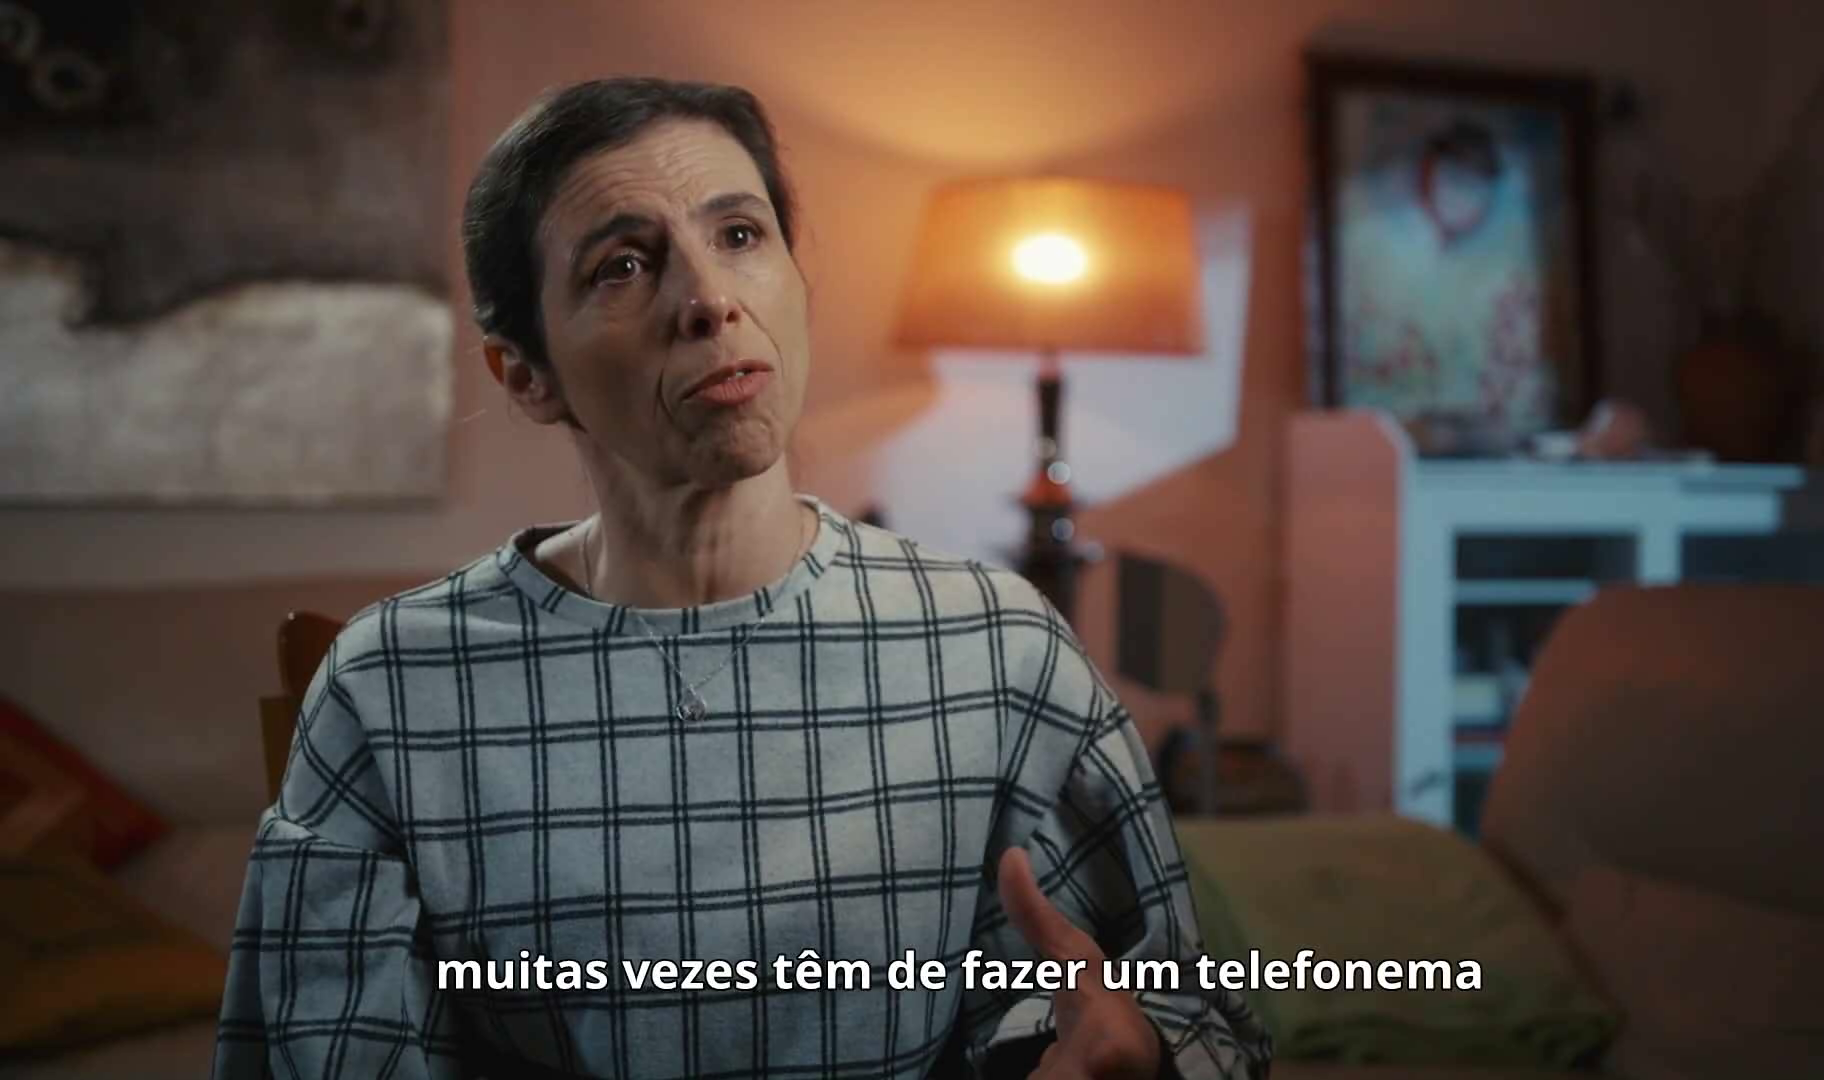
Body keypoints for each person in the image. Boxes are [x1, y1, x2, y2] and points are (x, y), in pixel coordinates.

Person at [212, 76, 1272, 1080]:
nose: (709, 299)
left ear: (798, 282)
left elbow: (1191, 1006)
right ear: (526, 375)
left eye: (739, 236)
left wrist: (1132, 1048)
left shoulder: (994, 643)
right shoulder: (393, 685)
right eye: (622, 266)